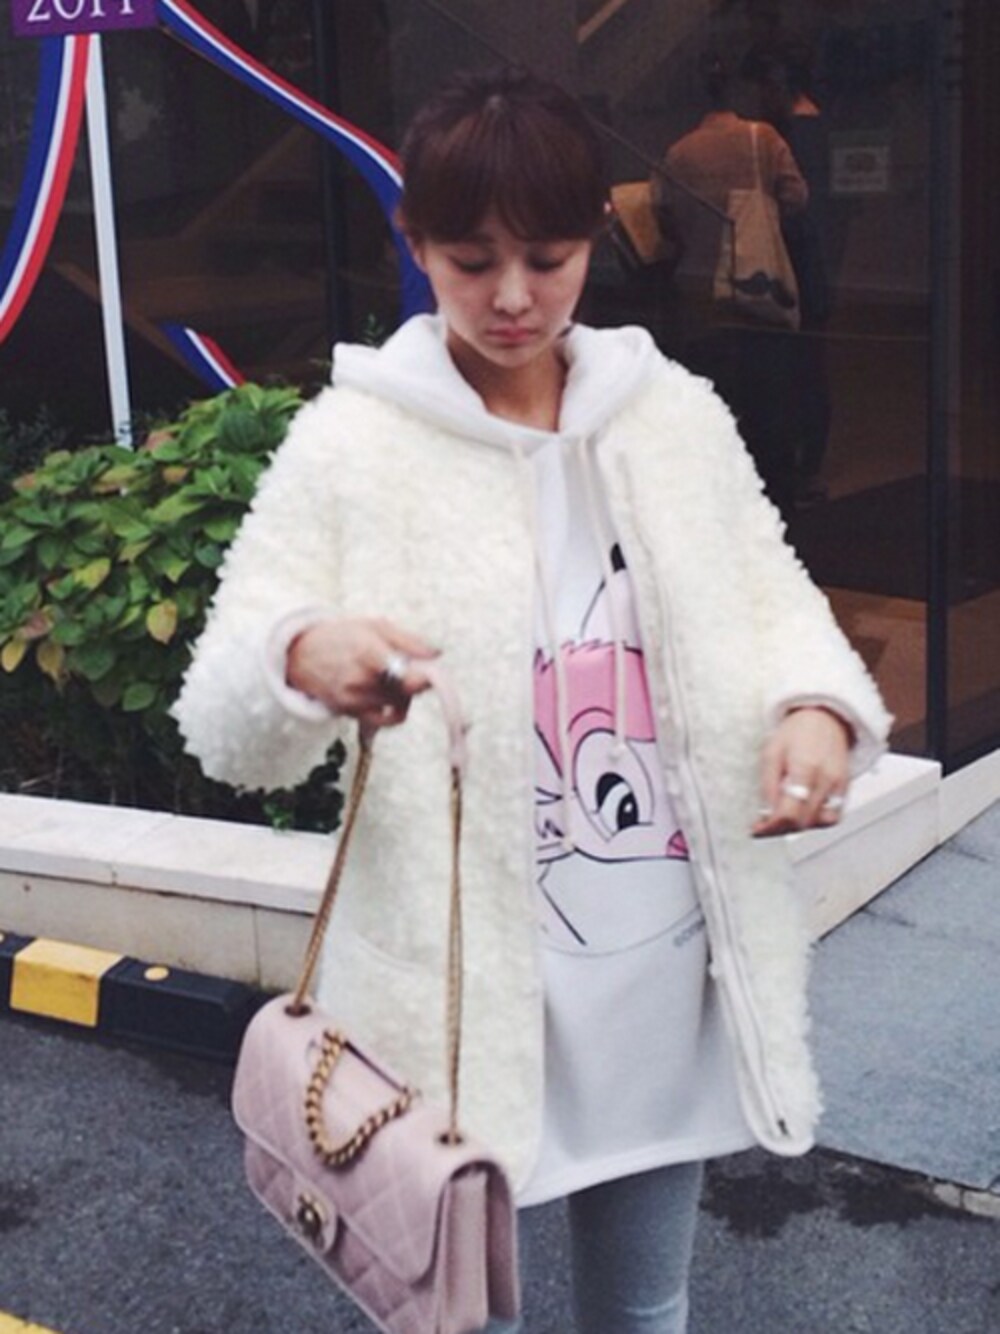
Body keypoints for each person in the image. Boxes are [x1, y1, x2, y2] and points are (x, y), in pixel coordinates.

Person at [173, 67, 891, 1334]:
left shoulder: (670, 417)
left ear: (594, 240)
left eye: (547, 259)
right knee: (461, 1311)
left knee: (646, 1306)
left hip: (664, 968)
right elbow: (224, 715)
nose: (511, 296)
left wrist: (816, 711)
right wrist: (298, 651)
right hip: (460, 987)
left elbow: (776, 598)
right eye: (471, 260)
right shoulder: (356, 442)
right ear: (414, 245)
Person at [652, 53, 809, 519]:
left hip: (700, 291)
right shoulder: (762, 139)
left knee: (712, 402)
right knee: (768, 403)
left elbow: (664, 214)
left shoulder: (680, 152)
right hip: (756, 287)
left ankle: (714, 501)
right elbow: (797, 197)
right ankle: (773, 499)